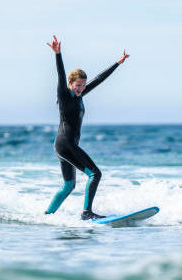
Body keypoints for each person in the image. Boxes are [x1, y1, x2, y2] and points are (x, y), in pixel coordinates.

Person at [45, 35, 130, 220]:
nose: (81, 88)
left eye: (83, 85)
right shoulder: (64, 93)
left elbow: (99, 79)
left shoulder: (80, 95)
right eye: (78, 85)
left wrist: (118, 63)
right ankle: (86, 213)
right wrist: (58, 54)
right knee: (95, 174)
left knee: (69, 185)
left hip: (62, 145)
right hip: (66, 144)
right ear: (70, 83)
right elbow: (60, 74)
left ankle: (47, 215)